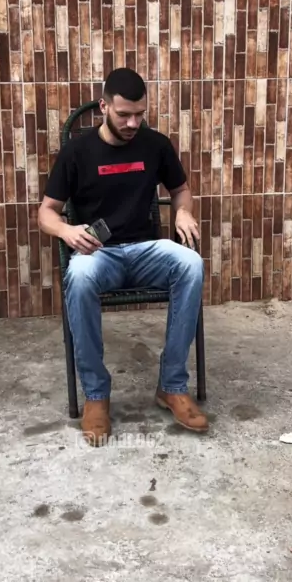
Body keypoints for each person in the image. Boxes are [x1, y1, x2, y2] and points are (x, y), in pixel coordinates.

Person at [38, 67, 209, 446]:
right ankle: (96, 395)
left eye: (140, 114)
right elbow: (46, 212)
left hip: (147, 250)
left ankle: (172, 386)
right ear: (103, 107)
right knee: (79, 276)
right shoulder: (77, 152)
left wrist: (183, 211)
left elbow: (180, 190)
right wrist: (66, 231)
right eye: (124, 114)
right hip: (100, 254)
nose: (133, 123)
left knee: (191, 263)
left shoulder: (156, 145)